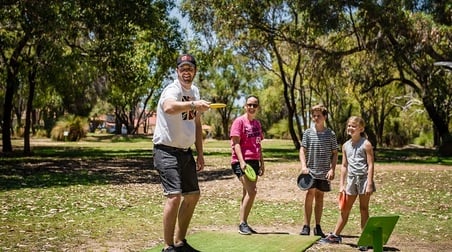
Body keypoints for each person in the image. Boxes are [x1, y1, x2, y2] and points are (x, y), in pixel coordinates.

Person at [153, 53, 210, 252]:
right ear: (177, 71)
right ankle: (168, 247)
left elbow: (196, 123)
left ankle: (180, 241)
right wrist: (194, 104)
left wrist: (200, 154)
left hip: (186, 153)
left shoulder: (194, 90)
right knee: (174, 196)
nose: (187, 72)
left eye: (190, 69)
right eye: (183, 69)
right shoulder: (172, 89)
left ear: (194, 71)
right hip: (166, 151)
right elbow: (169, 107)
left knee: (193, 195)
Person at [320, 116, 376, 251]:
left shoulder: (366, 144)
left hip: (363, 180)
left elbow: (370, 164)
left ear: (361, 129)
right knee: (345, 209)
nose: (350, 128)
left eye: (354, 126)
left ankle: (365, 239)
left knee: (364, 209)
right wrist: (342, 185)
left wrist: (369, 183)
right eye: (349, 126)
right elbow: (344, 166)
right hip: (351, 180)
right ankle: (335, 236)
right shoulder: (345, 146)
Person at [299, 104, 338, 238]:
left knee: (320, 197)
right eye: (314, 116)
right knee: (309, 195)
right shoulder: (308, 133)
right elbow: (302, 150)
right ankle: (306, 226)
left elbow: (335, 153)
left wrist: (332, 169)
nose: (316, 118)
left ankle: (318, 226)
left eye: (319, 116)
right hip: (310, 172)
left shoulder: (330, 134)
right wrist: (304, 166)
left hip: (324, 172)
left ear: (325, 117)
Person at [230, 95, 265, 235]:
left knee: (247, 193)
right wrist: (242, 162)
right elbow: (236, 144)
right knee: (252, 191)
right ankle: (242, 223)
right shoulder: (239, 122)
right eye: (249, 104)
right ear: (245, 106)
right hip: (241, 162)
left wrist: (262, 163)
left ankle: (244, 223)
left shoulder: (257, 124)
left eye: (254, 105)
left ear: (258, 108)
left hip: (254, 161)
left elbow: (258, 144)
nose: (251, 107)